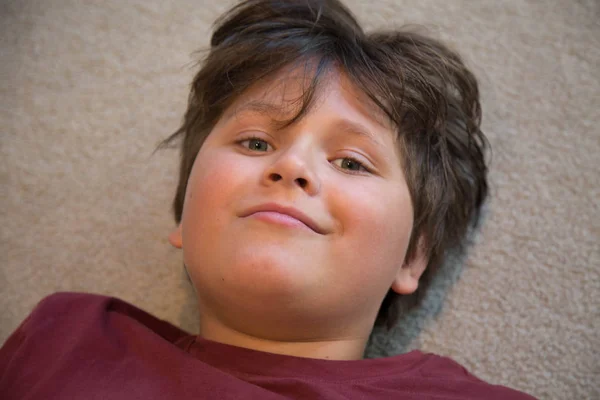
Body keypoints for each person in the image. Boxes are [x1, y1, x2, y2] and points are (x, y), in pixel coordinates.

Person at [0, 0, 536, 398]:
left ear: (413, 254)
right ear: (186, 209)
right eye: (256, 143)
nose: (291, 166)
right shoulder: (66, 338)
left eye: (352, 162)